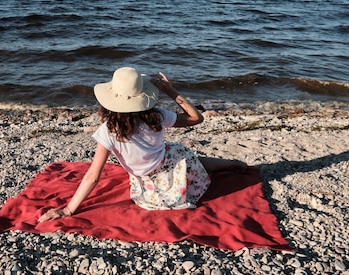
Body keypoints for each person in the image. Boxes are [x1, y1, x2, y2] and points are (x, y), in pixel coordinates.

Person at [38, 66, 245, 222]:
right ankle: (234, 164)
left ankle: (231, 164)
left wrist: (68, 210)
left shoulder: (109, 131)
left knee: (186, 157)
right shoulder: (158, 116)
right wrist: (171, 91)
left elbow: (93, 176)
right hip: (172, 165)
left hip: (149, 188)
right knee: (188, 157)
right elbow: (196, 118)